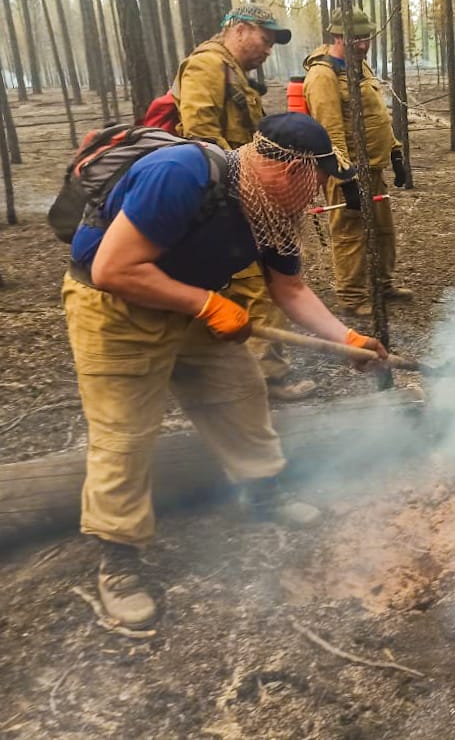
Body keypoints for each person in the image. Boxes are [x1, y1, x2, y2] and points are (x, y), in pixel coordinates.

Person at [64, 113, 388, 628]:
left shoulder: (272, 213)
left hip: (193, 302)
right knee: (123, 436)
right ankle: (119, 558)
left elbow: (291, 289)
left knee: (240, 392)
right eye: (316, 178)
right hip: (117, 308)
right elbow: (112, 269)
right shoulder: (181, 174)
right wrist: (207, 305)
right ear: (283, 169)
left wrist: (344, 339)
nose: (318, 192)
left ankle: (261, 492)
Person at [173, 3, 315, 400]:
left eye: (272, 43)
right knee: (254, 288)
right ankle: (263, 385)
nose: (269, 49)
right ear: (238, 29)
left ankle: (260, 378)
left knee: (261, 287)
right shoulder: (205, 67)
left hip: (243, 195)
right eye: (264, 38)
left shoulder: (233, 72)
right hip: (229, 199)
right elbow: (198, 137)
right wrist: (249, 176)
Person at [302, 9, 413, 318]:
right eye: (356, 38)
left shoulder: (358, 65)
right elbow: (329, 130)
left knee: (382, 229)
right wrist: (344, 175)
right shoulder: (323, 75)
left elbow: (374, 113)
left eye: (366, 37)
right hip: (346, 171)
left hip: (373, 167)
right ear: (337, 37)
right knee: (351, 233)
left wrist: (395, 152)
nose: (363, 44)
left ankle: (382, 282)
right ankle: (352, 296)